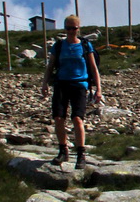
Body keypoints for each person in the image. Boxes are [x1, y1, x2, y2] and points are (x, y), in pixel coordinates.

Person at [41, 15, 102, 169]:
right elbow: (50, 66)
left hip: (80, 85)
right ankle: (63, 150)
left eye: (73, 28)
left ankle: (81, 154)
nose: (70, 31)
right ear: (64, 28)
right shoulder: (59, 46)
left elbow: (94, 68)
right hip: (61, 84)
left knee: (77, 118)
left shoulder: (85, 45)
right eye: (68, 28)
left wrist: (98, 89)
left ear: (78, 28)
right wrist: (44, 84)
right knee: (58, 118)